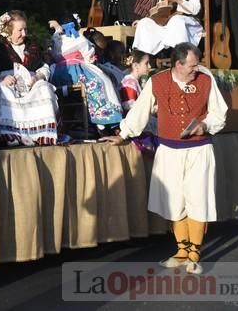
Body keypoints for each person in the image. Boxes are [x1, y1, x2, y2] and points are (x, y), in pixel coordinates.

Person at [102, 43, 228, 275]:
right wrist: (123, 134)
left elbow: (219, 113)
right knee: (175, 202)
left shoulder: (205, 78)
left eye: (197, 63)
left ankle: (194, 254)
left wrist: (205, 125)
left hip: (199, 150)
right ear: (178, 64)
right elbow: (140, 111)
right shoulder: (157, 81)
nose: (196, 68)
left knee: (197, 199)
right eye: (191, 65)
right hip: (169, 150)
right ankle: (181, 251)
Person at [0, 10, 59, 146]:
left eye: (25, 29)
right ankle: (12, 134)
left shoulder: (32, 45)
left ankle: (41, 133)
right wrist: (0, 78)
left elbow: (44, 66)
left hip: (31, 84)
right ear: (8, 30)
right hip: (9, 83)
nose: (24, 34)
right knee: (3, 89)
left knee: (44, 88)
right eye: (20, 30)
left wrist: (38, 76)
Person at [49, 20, 123, 129]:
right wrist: (90, 59)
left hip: (58, 74)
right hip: (76, 72)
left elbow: (54, 55)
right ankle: (101, 117)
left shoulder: (57, 39)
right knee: (101, 81)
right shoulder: (77, 36)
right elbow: (88, 52)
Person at [118, 48, 157, 155]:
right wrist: (152, 108)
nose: (149, 66)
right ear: (136, 66)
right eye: (146, 63)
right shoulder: (129, 82)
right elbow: (130, 107)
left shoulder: (134, 82)